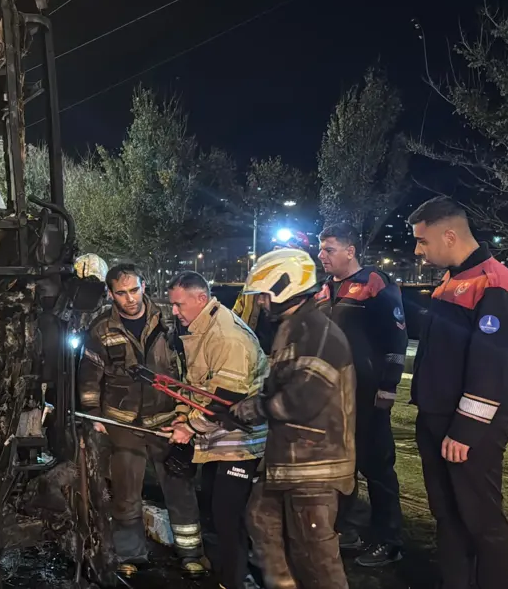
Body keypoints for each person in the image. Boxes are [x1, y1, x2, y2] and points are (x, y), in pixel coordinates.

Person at [408, 196, 508, 589]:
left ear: (449, 235)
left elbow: (492, 368)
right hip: (437, 418)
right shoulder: (452, 280)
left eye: (422, 241)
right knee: (448, 515)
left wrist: (466, 430)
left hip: (469, 428)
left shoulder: (494, 284)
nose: (417, 251)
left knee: (481, 521)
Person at [230, 248, 356, 589]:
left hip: (315, 466)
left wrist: (256, 408)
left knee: (316, 559)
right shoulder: (294, 328)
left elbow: (304, 399)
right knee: (261, 518)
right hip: (288, 459)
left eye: (264, 295)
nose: (261, 303)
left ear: (284, 287)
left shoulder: (315, 332)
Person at [77, 264, 206, 576]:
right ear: (111, 294)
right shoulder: (101, 329)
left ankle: (191, 554)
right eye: (121, 293)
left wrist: (185, 415)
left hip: (167, 420)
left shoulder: (169, 321)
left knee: (179, 488)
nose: (130, 298)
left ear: (144, 286)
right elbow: (90, 377)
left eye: (134, 290)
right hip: (123, 424)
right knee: (126, 494)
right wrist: (94, 415)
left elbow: (187, 368)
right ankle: (130, 556)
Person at [165, 271, 267, 589]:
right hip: (219, 437)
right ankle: (235, 572)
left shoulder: (225, 336)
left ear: (200, 299)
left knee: (228, 515)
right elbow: (195, 385)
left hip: (241, 440)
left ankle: (237, 580)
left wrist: (188, 428)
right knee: (217, 509)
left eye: (179, 304)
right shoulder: (202, 329)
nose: (174, 312)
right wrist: (182, 416)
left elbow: (226, 399)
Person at [315, 223, 407, 566]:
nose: (322, 256)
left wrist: (388, 386)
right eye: (321, 249)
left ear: (350, 250)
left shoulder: (374, 283)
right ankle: (347, 530)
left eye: (329, 249)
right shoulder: (325, 289)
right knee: (341, 466)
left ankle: (389, 540)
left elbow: (397, 339)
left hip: (367, 394)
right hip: (331, 396)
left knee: (377, 467)